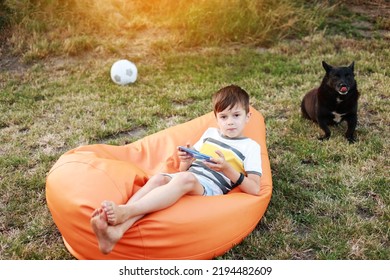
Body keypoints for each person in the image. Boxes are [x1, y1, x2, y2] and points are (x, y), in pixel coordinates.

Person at [90, 84, 262, 254]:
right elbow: (183, 169)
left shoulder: (250, 147)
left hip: (210, 188)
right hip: (190, 177)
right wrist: (187, 159)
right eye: (223, 117)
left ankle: (125, 211)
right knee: (158, 179)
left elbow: (254, 188)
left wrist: (226, 169)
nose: (230, 122)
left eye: (236, 115)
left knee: (185, 178)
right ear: (216, 119)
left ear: (248, 116)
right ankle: (116, 232)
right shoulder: (210, 134)